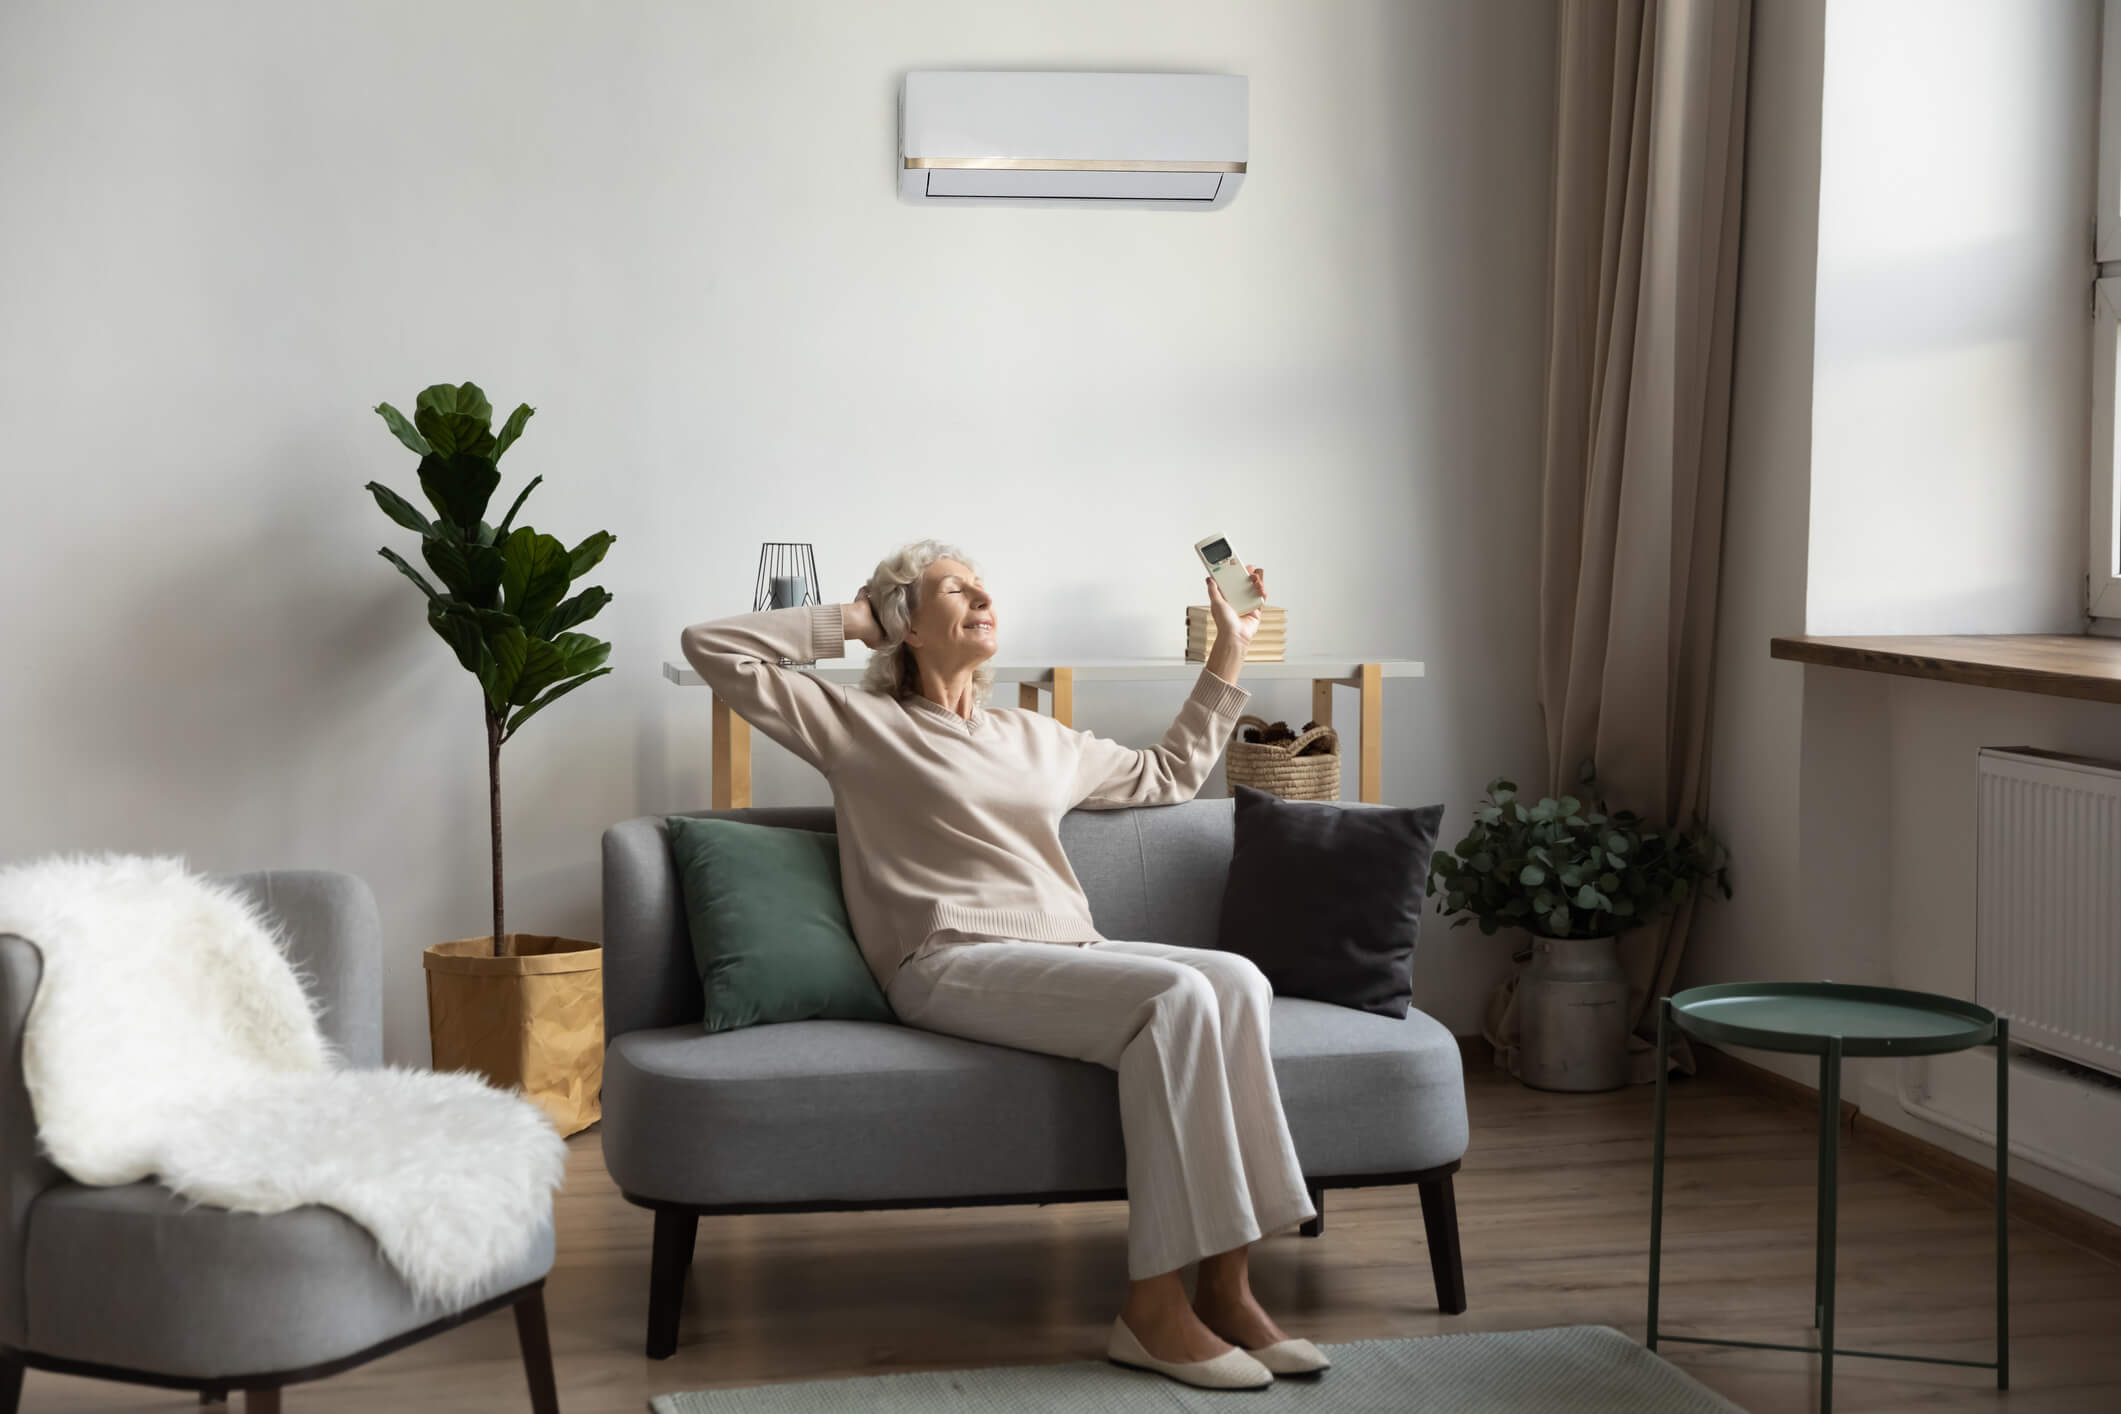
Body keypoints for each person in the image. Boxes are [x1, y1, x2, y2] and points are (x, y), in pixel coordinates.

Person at [678, 539, 1327, 1391]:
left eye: (986, 586)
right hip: (946, 960)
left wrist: (1229, 646)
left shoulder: (1032, 736)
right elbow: (711, 647)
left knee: (1236, 978)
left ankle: (1228, 1288)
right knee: (1173, 995)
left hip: (1066, 952)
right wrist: (858, 620)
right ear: (909, 622)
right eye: (956, 588)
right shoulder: (856, 726)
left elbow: (1168, 775)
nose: (984, 596)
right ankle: (1152, 1311)